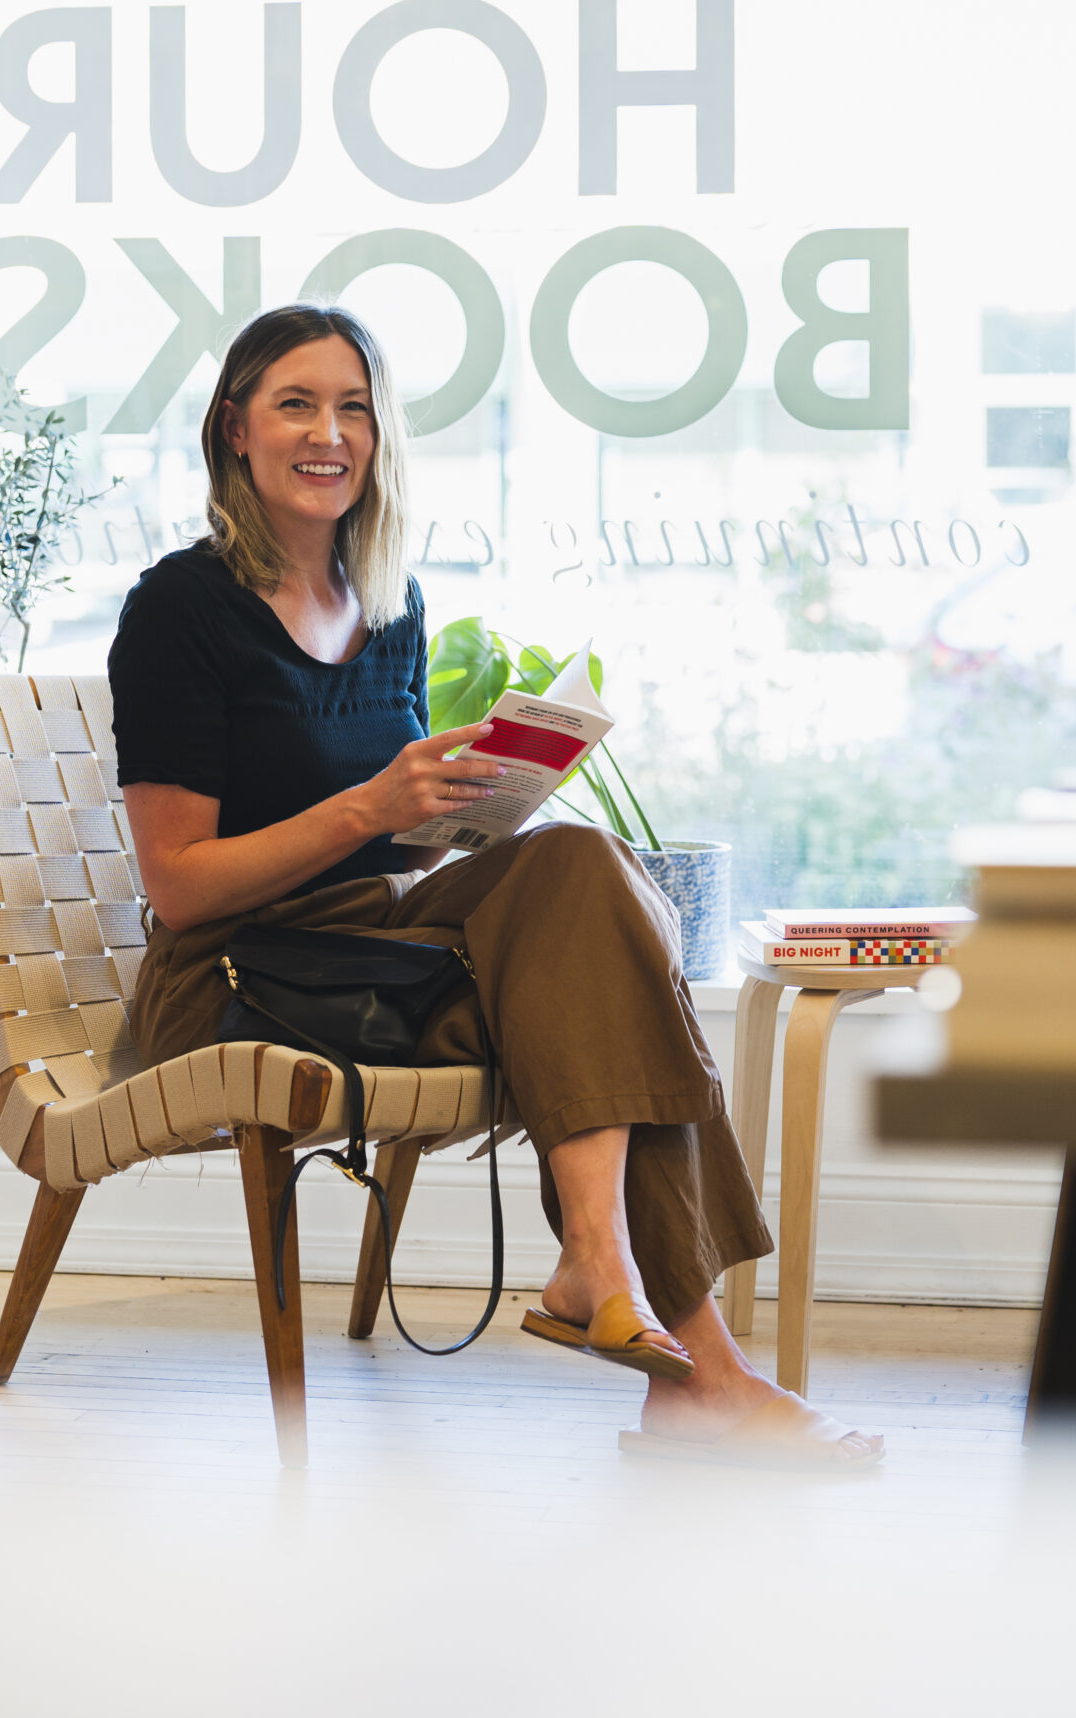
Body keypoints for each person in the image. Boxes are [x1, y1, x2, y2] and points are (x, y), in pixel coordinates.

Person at [108, 302, 882, 1471]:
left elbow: (398, 854)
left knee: (578, 863)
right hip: (240, 973)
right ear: (233, 428)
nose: (331, 433)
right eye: (296, 403)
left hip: (380, 953)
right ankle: (673, 1344)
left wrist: (461, 809)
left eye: (354, 406)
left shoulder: (391, 602)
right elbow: (178, 887)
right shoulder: (179, 610)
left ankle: (626, 1298)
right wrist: (370, 806)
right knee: (613, 967)